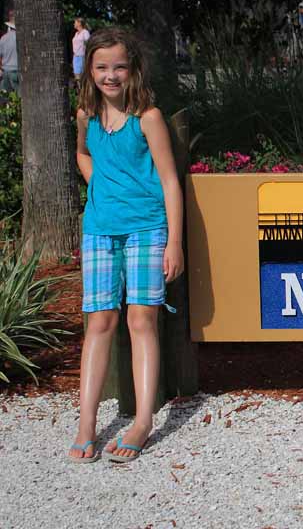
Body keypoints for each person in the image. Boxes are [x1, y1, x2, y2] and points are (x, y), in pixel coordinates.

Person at [68, 27, 184, 463]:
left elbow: (170, 181)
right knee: (99, 322)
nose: (110, 75)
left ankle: (142, 421)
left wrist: (175, 242)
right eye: (101, 67)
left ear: (132, 68)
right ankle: (86, 425)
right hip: (99, 229)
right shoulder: (86, 114)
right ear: (90, 70)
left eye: (118, 66)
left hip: (147, 229)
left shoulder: (147, 117)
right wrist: (99, 183)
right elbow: (83, 154)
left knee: (141, 319)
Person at [0, 14, 19, 93]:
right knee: (19, 97)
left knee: (6, 97)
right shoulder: (20, 38)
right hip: (16, 71)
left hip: (5, 72)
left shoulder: (3, 38)